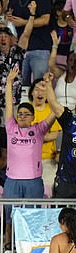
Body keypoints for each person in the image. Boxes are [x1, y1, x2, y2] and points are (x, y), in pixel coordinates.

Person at [3, 66, 55, 253]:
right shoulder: (11, 127)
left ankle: (30, 246)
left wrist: (49, 86)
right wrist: (9, 82)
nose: (22, 116)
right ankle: (9, 246)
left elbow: (55, 112)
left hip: (33, 180)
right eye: (20, 114)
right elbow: (9, 105)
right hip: (12, 180)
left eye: (26, 114)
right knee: (9, 214)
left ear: (33, 117)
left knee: (33, 215)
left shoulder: (39, 129)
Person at [45, 71, 76, 199]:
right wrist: (48, 83)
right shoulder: (70, 120)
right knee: (62, 217)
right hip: (66, 181)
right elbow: (53, 103)